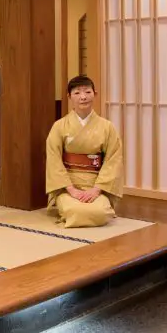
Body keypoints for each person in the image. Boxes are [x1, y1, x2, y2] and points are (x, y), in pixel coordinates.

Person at [46, 75, 123, 228]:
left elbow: (113, 160)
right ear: (69, 96)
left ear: (95, 93)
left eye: (87, 92)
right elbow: (53, 160)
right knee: (74, 210)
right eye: (77, 93)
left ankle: (98, 202)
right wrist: (71, 190)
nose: (83, 97)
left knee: (100, 213)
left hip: (96, 183)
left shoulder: (107, 127)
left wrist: (97, 189)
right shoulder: (59, 126)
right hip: (68, 184)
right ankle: (67, 203)